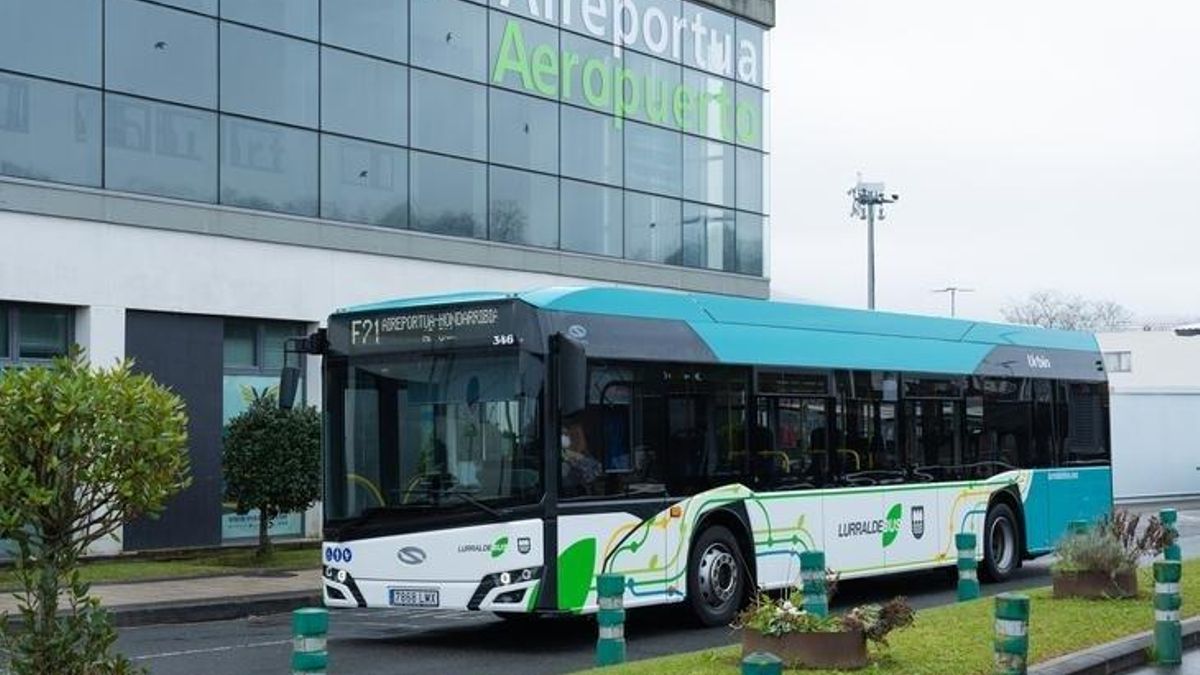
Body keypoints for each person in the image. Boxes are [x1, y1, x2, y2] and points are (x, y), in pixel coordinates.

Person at [560, 417, 602, 497]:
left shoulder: (591, 462)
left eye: (576, 435)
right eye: (565, 434)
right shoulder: (560, 458)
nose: (573, 438)